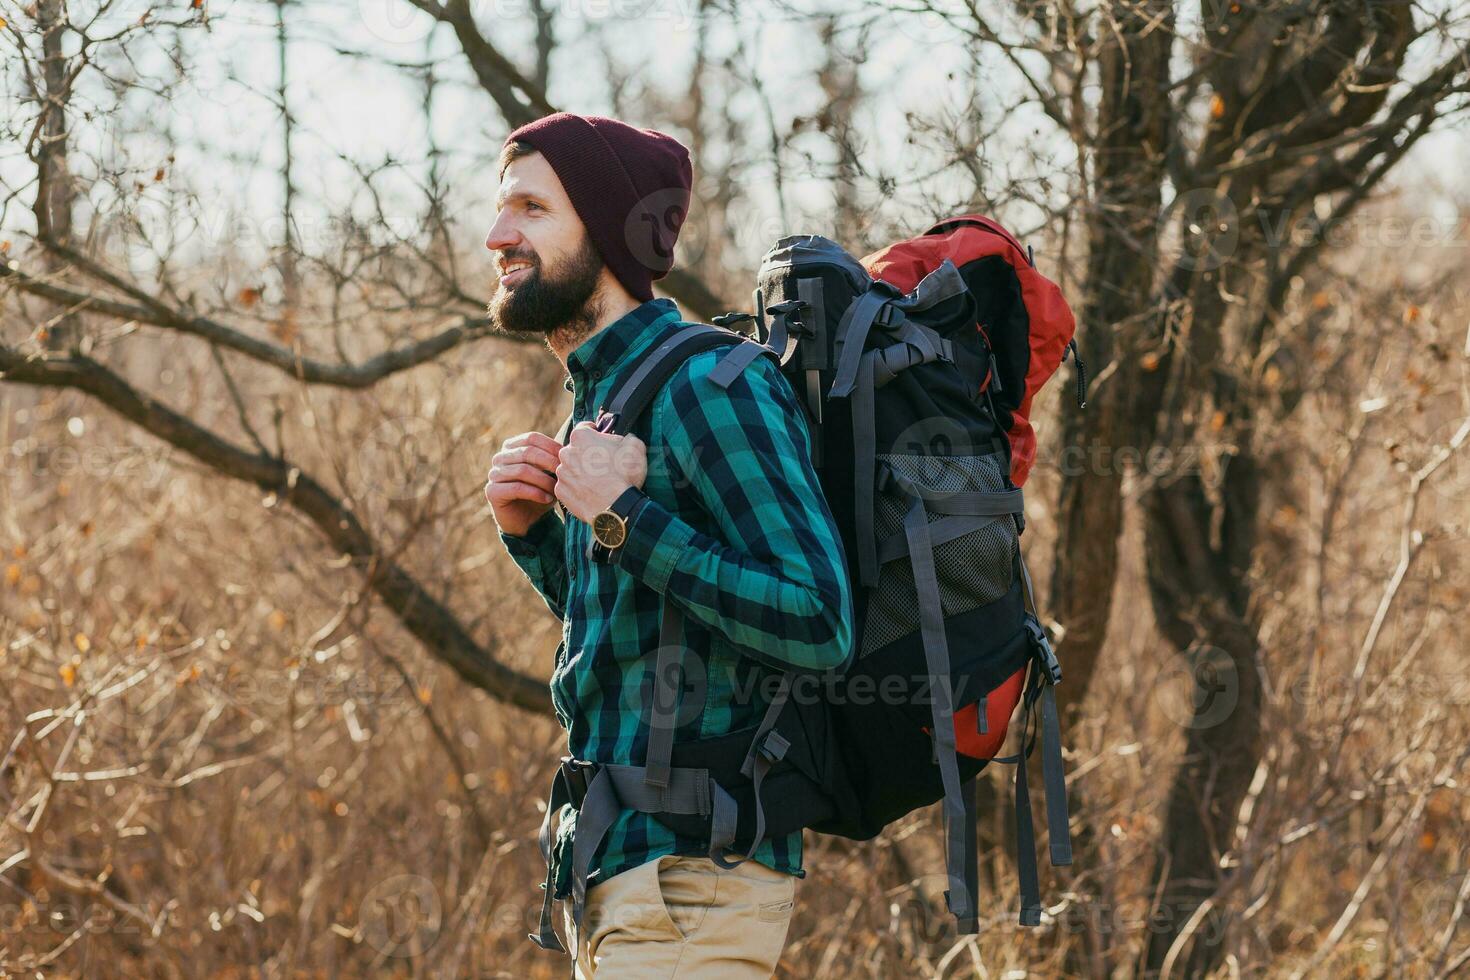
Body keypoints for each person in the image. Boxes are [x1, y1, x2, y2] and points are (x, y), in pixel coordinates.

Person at [483, 112, 853, 978]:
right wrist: (536, 535)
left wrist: (620, 518)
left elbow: (816, 615)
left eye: (532, 209)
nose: (498, 235)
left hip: (696, 883)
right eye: (502, 209)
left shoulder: (710, 383)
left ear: (610, 229)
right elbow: (640, 634)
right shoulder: (604, 400)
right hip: (620, 875)